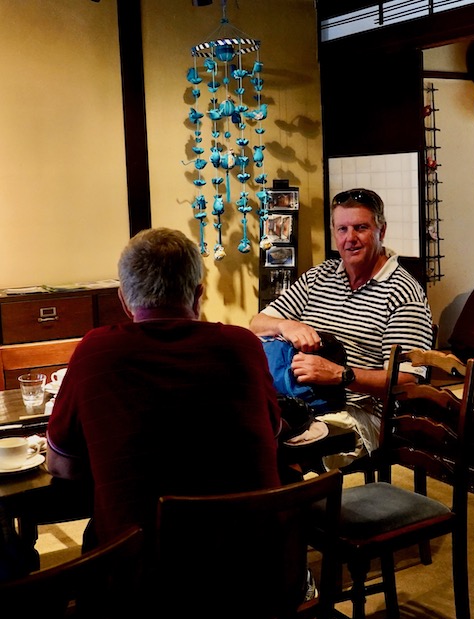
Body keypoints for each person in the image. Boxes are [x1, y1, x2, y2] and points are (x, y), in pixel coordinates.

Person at [46, 228, 282, 549]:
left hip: (139, 566)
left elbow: (62, 466)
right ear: (198, 295)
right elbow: (272, 436)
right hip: (251, 561)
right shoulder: (244, 346)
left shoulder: (95, 351)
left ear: (123, 300)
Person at [250, 187, 434, 469]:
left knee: (283, 452)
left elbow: (408, 380)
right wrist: (286, 324)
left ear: (381, 231)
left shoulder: (403, 292)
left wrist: (340, 375)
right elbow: (256, 324)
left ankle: (298, 496)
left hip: (362, 411)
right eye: (342, 229)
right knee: (241, 430)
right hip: (298, 397)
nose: (350, 238)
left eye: (361, 228)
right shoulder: (319, 276)